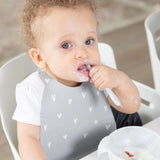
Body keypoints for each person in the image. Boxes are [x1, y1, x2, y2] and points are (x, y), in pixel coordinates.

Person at [12, 0, 142, 159]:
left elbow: (132, 106)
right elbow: (28, 139)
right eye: (66, 45)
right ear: (39, 57)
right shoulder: (34, 89)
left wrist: (119, 80)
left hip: (105, 151)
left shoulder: (99, 73)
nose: (83, 53)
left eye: (89, 41)